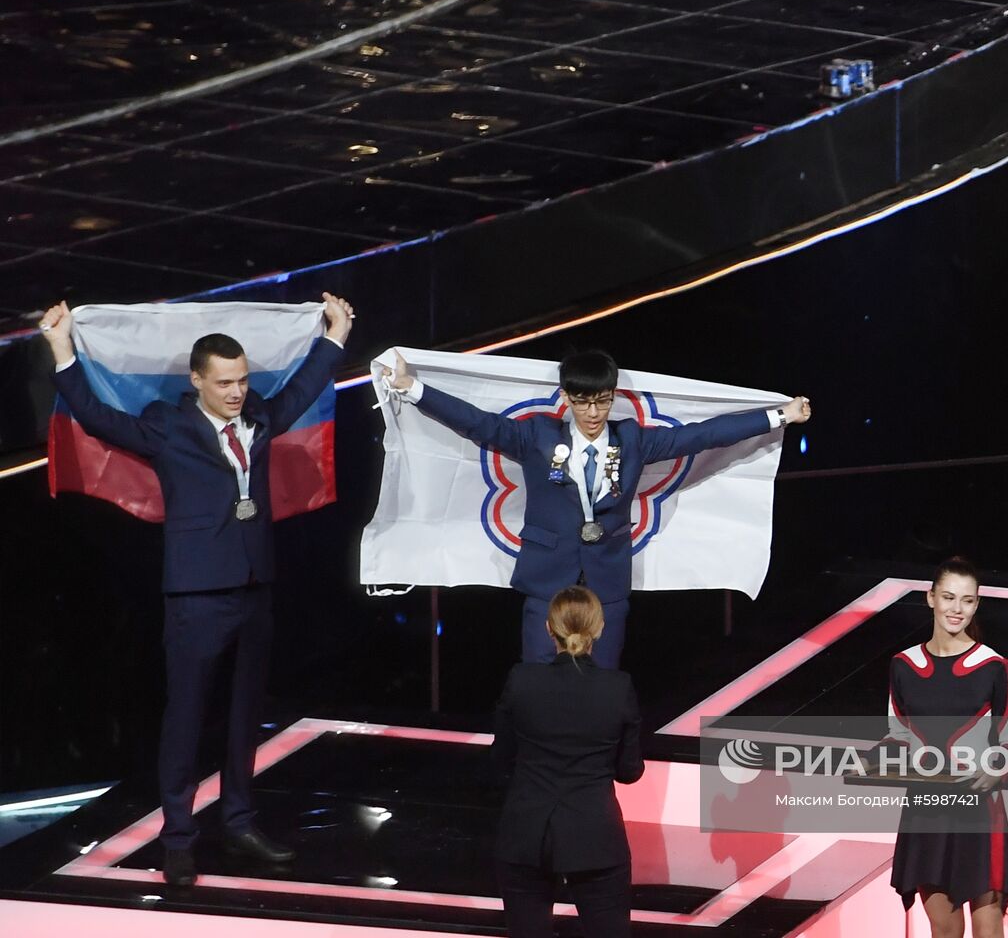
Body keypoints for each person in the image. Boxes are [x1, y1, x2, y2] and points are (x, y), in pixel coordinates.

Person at [38, 293, 354, 886]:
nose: (237, 391)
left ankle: (239, 821)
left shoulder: (257, 416)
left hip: (255, 589)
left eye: (242, 380)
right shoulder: (169, 426)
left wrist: (333, 337)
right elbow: (99, 418)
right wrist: (61, 350)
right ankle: (178, 839)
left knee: (244, 718)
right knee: (185, 720)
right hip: (196, 598)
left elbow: (297, 395)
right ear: (198, 381)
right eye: (226, 382)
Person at [384, 349, 811, 669]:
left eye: (603, 401)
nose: (593, 413)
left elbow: (704, 435)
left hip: (606, 579)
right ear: (566, 397)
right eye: (584, 402)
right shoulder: (537, 436)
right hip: (547, 576)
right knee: (538, 678)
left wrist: (779, 415)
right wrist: (412, 389)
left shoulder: (633, 441)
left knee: (602, 681)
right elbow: (477, 421)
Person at [492, 585, 644, 938]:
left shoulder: (521, 680)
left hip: (526, 832)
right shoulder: (618, 687)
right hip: (595, 835)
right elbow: (630, 771)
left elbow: (500, 760)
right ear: (600, 629)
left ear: (548, 628)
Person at [881, 558, 1008, 937]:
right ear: (930, 598)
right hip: (925, 806)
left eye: (968, 600)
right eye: (948, 597)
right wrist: (879, 759)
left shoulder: (992, 665)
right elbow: (898, 734)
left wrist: (995, 769)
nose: (957, 609)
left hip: (977, 807)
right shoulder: (903, 664)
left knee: (987, 925)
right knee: (943, 927)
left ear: (976, 605)